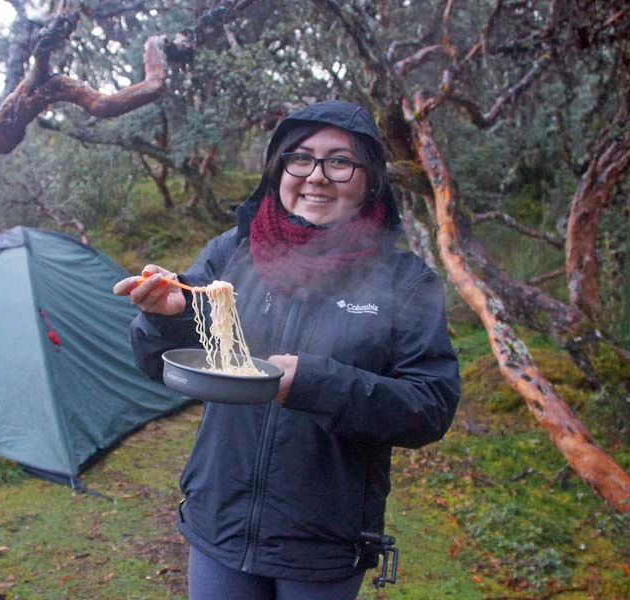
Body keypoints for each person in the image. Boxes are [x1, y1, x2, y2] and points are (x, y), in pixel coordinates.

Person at [113, 100, 460, 600]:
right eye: (300, 158)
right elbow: (156, 363)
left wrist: (314, 384)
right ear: (280, 169)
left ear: (369, 179)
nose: (316, 176)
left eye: (339, 161)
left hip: (323, 544)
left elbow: (430, 407)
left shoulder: (405, 282)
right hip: (220, 523)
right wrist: (166, 317)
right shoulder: (232, 253)